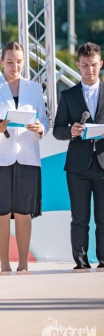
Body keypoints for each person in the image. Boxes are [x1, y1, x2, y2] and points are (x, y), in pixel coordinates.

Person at [0, 41, 48, 272]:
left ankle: (24, 264)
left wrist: (40, 128)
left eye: (18, 62)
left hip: (27, 157)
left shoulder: (34, 89)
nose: (14, 66)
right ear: (1, 62)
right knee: (1, 212)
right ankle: (4, 264)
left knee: (24, 212)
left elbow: (44, 120)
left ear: (24, 62)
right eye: (9, 62)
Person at [53, 42, 104, 269]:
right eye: (85, 65)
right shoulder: (68, 95)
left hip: (103, 164)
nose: (89, 70)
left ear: (101, 64)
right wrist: (71, 131)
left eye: (93, 65)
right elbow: (57, 130)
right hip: (77, 167)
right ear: (77, 65)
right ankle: (81, 263)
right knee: (79, 219)